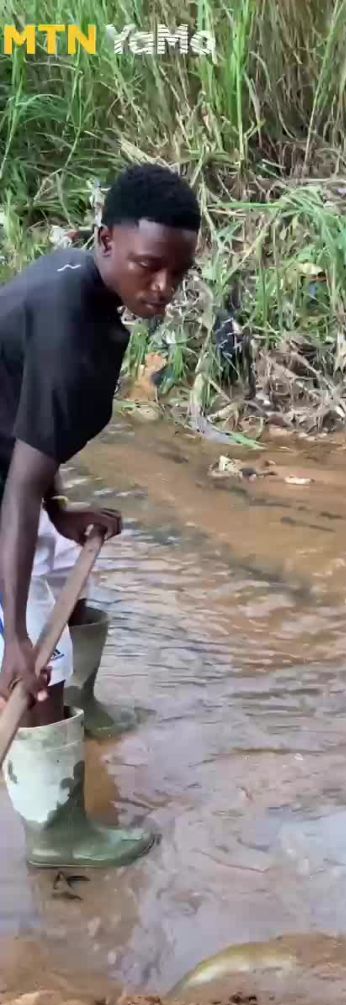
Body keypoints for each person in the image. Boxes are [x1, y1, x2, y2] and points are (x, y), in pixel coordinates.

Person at [0, 163, 201, 868]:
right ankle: (59, 837)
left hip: (12, 482)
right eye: (150, 268)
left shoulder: (79, 284)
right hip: (2, 498)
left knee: (68, 577)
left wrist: (63, 512)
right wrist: (17, 643)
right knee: (35, 670)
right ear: (107, 240)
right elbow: (18, 487)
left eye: (179, 274)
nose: (163, 290)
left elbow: (27, 430)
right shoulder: (65, 327)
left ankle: (85, 709)